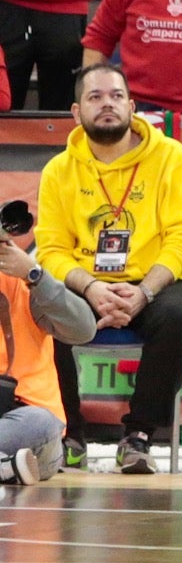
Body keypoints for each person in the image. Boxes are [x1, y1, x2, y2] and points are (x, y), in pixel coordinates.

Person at [36, 62, 182, 472]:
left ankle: (139, 435)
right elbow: (51, 250)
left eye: (116, 96)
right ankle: (67, 433)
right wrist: (92, 286)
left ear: (132, 107)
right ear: (76, 113)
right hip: (87, 284)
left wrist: (145, 291)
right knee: (39, 307)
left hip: (155, 284)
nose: (107, 104)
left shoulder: (171, 157)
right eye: (95, 97)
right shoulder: (58, 171)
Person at [0, 202, 96, 484]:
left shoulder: (22, 282)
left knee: (40, 422)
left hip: (27, 423)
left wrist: (35, 276)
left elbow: (83, 329)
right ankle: (6, 468)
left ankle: (7, 466)